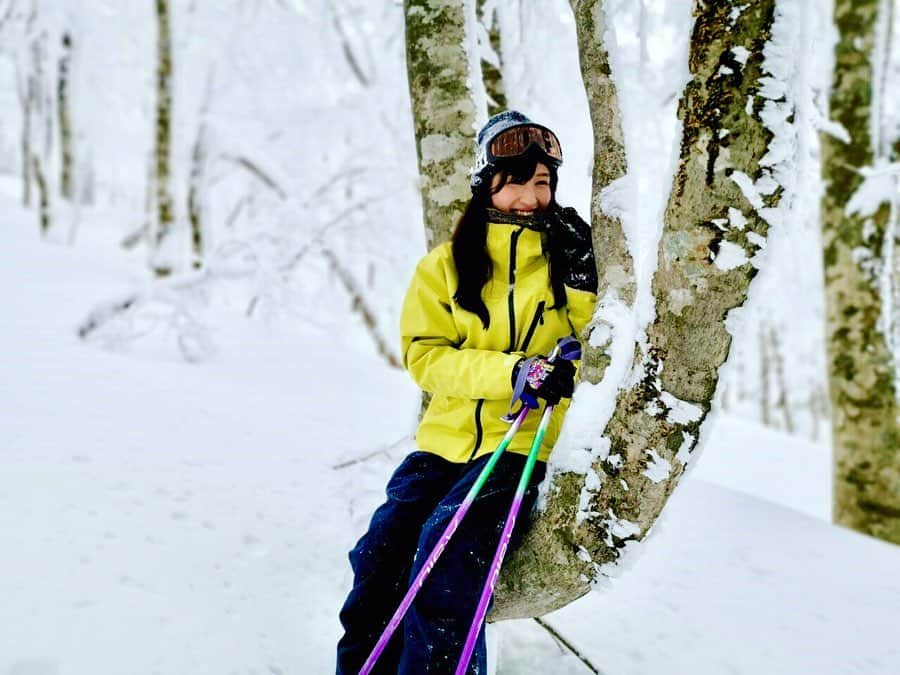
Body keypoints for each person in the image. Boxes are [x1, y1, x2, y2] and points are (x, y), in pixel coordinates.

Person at [336, 110, 598, 674]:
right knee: (377, 563)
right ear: (488, 184)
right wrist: (511, 371)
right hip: (441, 447)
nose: (532, 195)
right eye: (518, 181)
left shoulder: (570, 260)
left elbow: (595, 346)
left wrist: (581, 284)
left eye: (543, 182)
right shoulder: (444, 267)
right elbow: (426, 358)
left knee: (445, 557)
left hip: (521, 448)